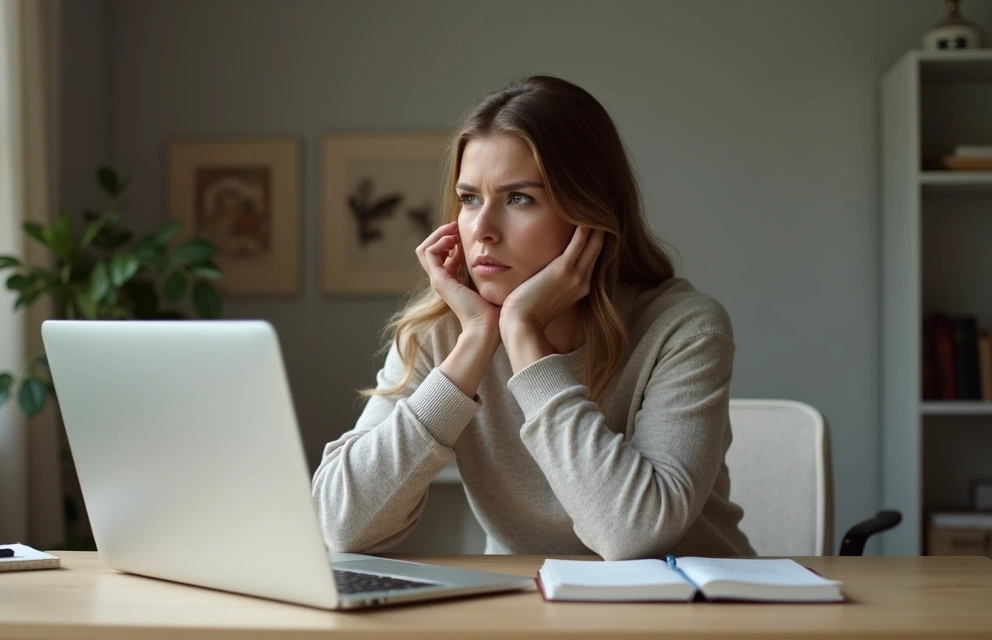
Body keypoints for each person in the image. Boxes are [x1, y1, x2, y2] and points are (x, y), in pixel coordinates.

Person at [312, 75, 755, 561]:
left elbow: (635, 536)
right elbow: (341, 526)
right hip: (524, 608)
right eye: (469, 199)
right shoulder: (439, 335)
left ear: (588, 213)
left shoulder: (683, 328)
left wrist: (523, 335)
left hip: (689, 610)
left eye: (519, 198)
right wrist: (475, 343)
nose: (481, 229)